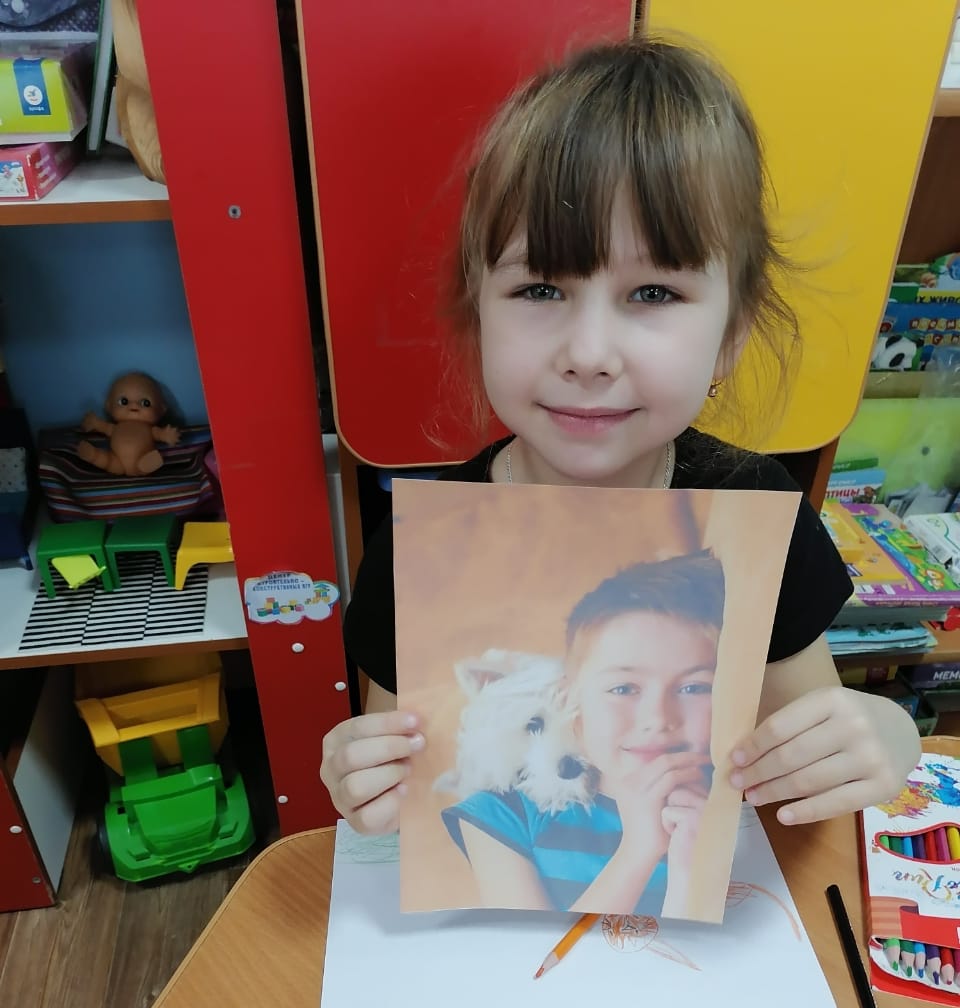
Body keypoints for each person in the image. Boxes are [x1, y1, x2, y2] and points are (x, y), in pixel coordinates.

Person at [320, 35, 920, 841]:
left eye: (653, 292)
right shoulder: (423, 548)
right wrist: (365, 779)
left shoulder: (758, 520)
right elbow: (407, 791)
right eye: (540, 289)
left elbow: (811, 758)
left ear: (732, 333)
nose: (589, 354)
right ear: (478, 309)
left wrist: (885, 736)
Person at [440, 551, 724, 913]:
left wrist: (689, 873)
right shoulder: (501, 815)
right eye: (623, 688)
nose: (657, 718)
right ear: (569, 696)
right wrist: (638, 851)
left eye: (693, 687)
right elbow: (535, 951)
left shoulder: (733, 800)